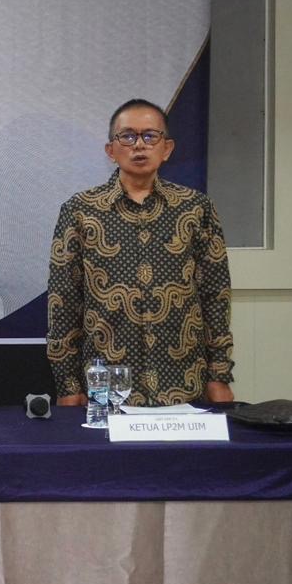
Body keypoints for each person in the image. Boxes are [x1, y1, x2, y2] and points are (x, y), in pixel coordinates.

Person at [47, 98, 235, 406]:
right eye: (127, 136)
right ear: (111, 150)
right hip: (106, 388)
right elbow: (63, 301)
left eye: (150, 136)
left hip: (183, 383)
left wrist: (220, 375)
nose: (139, 145)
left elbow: (215, 295)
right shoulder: (80, 211)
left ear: (167, 148)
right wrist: (68, 385)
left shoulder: (196, 208)